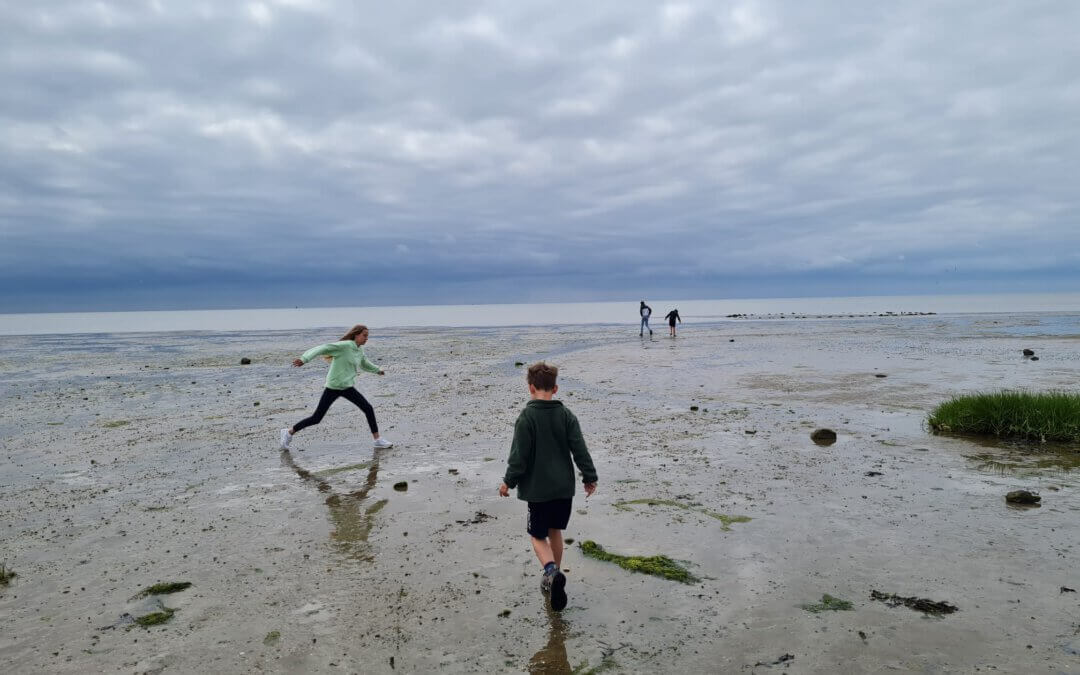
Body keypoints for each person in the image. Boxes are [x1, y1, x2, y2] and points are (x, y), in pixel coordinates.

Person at [499, 362, 597, 612]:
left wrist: (508, 482)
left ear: (530, 388)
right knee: (555, 531)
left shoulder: (527, 417)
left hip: (538, 491)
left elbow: (518, 457)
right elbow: (579, 449)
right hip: (563, 489)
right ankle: (554, 576)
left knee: (537, 535)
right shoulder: (566, 416)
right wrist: (589, 476)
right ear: (555, 388)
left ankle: (551, 572)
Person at [279, 324, 393, 451]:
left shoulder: (359, 350)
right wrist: (304, 359)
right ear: (356, 335)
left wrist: (377, 370)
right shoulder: (345, 346)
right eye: (364, 336)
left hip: (347, 387)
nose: (366, 338)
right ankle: (289, 432)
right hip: (333, 387)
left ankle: (377, 440)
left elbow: (364, 363)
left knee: (368, 408)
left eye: (367, 336)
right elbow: (322, 348)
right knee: (316, 418)